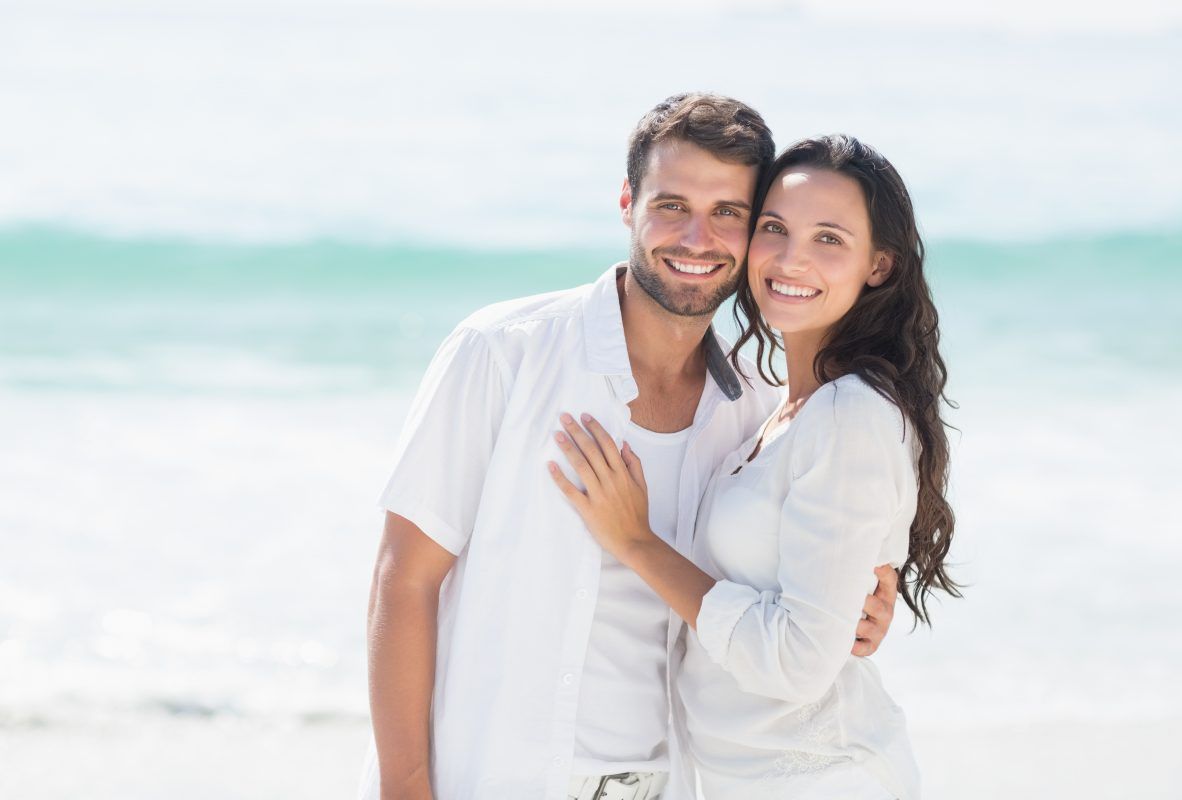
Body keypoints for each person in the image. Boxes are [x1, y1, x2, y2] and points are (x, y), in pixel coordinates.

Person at [360, 95, 899, 800]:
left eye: (727, 213)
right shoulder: (503, 353)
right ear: (627, 203)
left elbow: (793, 603)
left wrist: (861, 606)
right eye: (671, 205)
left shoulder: (758, 417)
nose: (696, 238)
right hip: (487, 776)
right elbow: (404, 579)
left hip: (662, 783)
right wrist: (404, 788)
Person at [548, 135, 959, 799]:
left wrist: (635, 543)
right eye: (774, 228)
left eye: (829, 239)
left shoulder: (849, 415)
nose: (792, 258)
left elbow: (796, 664)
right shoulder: (776, 411)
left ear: (878, 265)